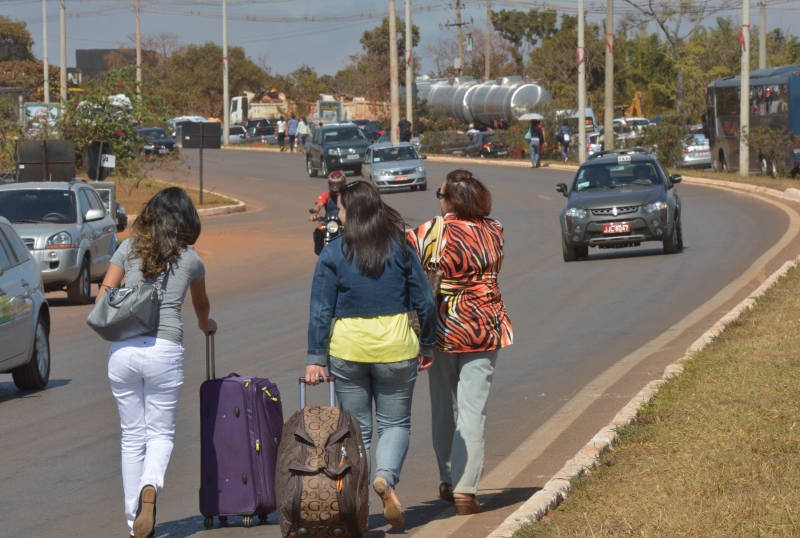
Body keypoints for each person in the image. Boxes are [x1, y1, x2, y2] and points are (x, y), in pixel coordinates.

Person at [305, 180, 436, 529]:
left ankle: (356, 507)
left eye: (342, 209)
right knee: (395, 424)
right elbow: (424, 301)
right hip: (397, 349)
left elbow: (320, 310)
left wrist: (316, 358)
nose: (339, 215)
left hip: (349, 352)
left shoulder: (332, 254)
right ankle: (386, 479)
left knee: (358, 432)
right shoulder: (401, 248)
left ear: (353, 212)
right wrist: (428, 345)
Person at [98, 187, 216, 538]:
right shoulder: (191, 260)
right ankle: (151, 485)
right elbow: (201, 305)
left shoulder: (128, 248)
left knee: (132, 437)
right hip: (165, 349)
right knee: (160, 433)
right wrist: (205, 325)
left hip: (123, 351)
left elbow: (105, 294)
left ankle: (134, 524)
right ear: (185, 220)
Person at [407, 169, 513, 517]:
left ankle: (449, 479)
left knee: (443, 408)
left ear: (450, 199)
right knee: (473, 410)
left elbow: (401, 256)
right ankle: (467, 490)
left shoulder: (432, 230)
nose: (437, 200)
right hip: (485, 325)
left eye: (440, 194)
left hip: (443, 327)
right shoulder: (495, 229)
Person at [310, 171, 346, 255]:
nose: (335, 187)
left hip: (345, 224)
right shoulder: (326, 195)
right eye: (333, 184)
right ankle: (321, 254)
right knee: (318, 231)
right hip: (330, 223)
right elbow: (319, 205)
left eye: (337, 184)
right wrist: (314, 213)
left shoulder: (347, 195)